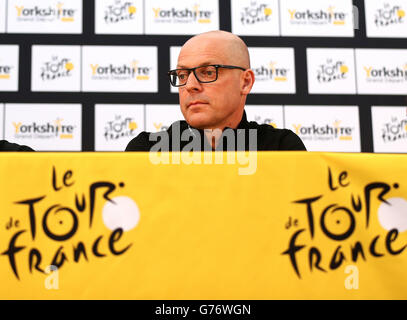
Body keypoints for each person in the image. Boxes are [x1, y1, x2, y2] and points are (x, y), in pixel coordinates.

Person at [125, 30, 306, 152]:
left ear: (245, 82)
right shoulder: (147, 150)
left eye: (208, 72)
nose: (190, 85)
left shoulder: (280, 148)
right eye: (182, 75)